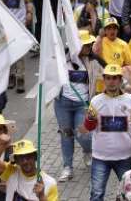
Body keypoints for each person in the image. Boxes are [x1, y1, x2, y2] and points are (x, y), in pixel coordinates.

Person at [84, 64, 131, 201]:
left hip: (125, 157)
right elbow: (89, 127)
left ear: (120, 80)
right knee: (96, 194)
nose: (111, 81)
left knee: (130, 195)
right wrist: (89, 119)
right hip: (100, 157)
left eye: (115, 78)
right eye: (108, 78)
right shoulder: (95, 101)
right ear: (104, 79)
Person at [55, 30, 100, 182]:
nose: (88, 47)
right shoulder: (62, 59)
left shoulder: (93, 61)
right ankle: (68, 167)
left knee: (84, 135)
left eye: (89, 44)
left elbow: (106, 72)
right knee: (66, 135)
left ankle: (88, 150)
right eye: (85, 45)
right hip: (62, 104)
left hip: (83, 105)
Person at [0, 136, 59, 201]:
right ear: (16, 161)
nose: (25, 161)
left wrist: (42, 196)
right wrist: (2, 145)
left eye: (28, 156)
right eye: (21, 158)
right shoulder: (11, 172)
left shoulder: (50, 183)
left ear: (35, 157)